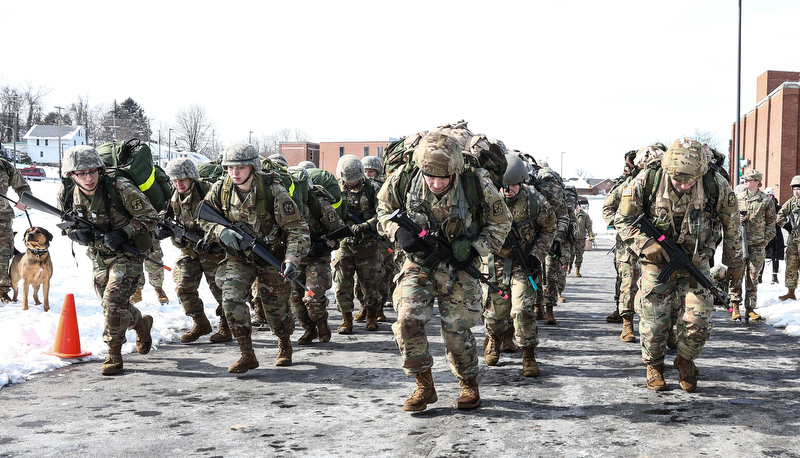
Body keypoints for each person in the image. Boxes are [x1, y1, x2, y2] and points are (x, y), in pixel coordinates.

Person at [377, 131, 512, 411]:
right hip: (419, 262)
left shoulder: (477, 183)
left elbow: (501, 223)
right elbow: (382, 211)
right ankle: (424, 386)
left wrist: (476, 249)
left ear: (455, 170)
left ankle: (467, 382)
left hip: (460, 265)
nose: (437, 183)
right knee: (406, 322)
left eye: (443, 178)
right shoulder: (403, 178)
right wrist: (398, 232)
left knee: (456, 330)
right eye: (430, 177)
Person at [615, 138, 742, 392]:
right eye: (677, 181)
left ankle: (684, 360)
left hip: (696, 262)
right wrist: (644, 243)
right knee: (654, 322)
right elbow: (622, 219)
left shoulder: (715, 184)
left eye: (689, 181)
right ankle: (654, 365)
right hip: (656, 263)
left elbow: (732, 228)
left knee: (699, 320)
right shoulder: (647, 180)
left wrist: (735, 267)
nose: (683, 186)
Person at [199, 143, 310, 373]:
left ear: (252, 168)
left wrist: (291, 260)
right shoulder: (221, 189)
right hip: (239, 258)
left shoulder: (274, 192)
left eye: (240, 167)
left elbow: (297, 229)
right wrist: (221, 232)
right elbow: (202, 217)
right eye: (230, 167)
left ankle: (284, 342)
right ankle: (247, 354)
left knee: (275, 312)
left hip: (270, 256)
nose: (234, 173)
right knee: (230, 301)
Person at [57, 145, 157, 375]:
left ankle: (113, 354)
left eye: (92, 171)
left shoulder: (119, 187)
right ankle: (142, 325)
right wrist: (73, 233)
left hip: (128, 254)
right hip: (99, 257)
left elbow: (151, 217)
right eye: (81, 173)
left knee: (112, 302)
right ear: (72, 175)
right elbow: (64, 222)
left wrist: (125, 232)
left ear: (99, 170)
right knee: (113, 306)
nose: (88, 178)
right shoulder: (67, 193)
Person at [482, 154, 555, 376]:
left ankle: (528, 355)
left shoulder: (535, 201)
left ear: (521, 181)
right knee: (494, 314)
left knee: (522, 310)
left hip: (524, 265)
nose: (507, 190)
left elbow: (549, 228)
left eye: (512, 185)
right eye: (503, 186)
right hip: (495, 265)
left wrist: (537, 255)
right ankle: (494, 339)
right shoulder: (487, 201)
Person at [154, 158, 228, 343]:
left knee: (222, 290)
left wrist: (212, 238)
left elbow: (226, 219)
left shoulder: (208, 191)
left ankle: (226, 325)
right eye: (175, 180)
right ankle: (200, 322)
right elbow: (167, 213)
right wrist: (164, 226)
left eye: (182, 180)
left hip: (213, 249)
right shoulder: (174, 194)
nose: (179, 184)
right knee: (183, 287)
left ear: (192, 178)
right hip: (190, 250)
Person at [287, 166, 344, 345]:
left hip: (316, 258)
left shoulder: (318, 203)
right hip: (294, 260)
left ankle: (321, 322)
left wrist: (322, 245)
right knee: (294, 302)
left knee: (312, 297)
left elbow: (339, 232)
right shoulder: (283, 204)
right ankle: (309, 330)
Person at [333, 154, 384, 333]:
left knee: (370, 283)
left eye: (355, 179)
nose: (352, 183)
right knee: (341, 283)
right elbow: (328, 214)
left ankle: (371, 316)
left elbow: (384, 213)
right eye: (349, 180)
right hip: (345, 243)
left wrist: (366, 225)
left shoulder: (375, 188)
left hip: (368, 245)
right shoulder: (335, 190)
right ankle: (346, 319)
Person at [728, 170, 776, 322]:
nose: (745, 182)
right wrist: (737, 219)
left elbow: (771, 224)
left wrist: (764, 241)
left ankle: (750, 308)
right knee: (736, 275)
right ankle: (735, 306)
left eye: (748, 179)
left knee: (753, 277)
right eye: (744, 179)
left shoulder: (765, 200)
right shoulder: (738, 198)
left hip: (757, 245)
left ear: (756, 182)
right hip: (740, 243)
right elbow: (728, 218)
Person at [353, 155, 394, 322]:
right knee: (362, 277)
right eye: (366, 171)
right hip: (363, 239)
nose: (369, 174)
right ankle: (364, 306)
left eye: (372, 171)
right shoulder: (358, 188)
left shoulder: (384, 188)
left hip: (382, 237)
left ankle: (379, 308)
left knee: (383, 273)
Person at [0, 155, 31, 303]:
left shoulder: (5, 166)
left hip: (3, 218)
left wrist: (24, 200)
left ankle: (2, 291)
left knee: (3, 256)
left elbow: (23, 187)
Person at [776, 176, 800, 301]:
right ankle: (791, 292)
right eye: (795, 189)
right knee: (791, 265)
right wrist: (786, 225)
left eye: (799, 189)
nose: (796, 191)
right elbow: (779, 215)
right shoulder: (791, 202)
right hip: (794, 240)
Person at [130, 238, 169, 305]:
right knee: (133, 264)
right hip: (130, 235)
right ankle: (136, 291)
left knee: (155, 265)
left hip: (149, 236)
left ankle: (158, 289)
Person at [762, 187, 784, 285]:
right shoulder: (761, 207)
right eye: (767, 195)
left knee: (774, 255)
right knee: (761, 255)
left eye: (771, 195)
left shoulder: (778, 208)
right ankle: (759, 276)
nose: (769, 197)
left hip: (775, 234)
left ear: (774, 197)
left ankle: (774, 276)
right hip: (763, 233)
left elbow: (783, 218)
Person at [569, 201, 595, 277]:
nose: (576, 208)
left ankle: (577, 270)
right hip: (571, 239)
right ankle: (569, 266)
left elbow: (589, 226)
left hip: (581, 239)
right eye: (575, 206)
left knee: (579, 255)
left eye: (577, 206)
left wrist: (591, 235)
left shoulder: (585, 215)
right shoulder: (570, 215)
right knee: (570, 255)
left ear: (579, 206)